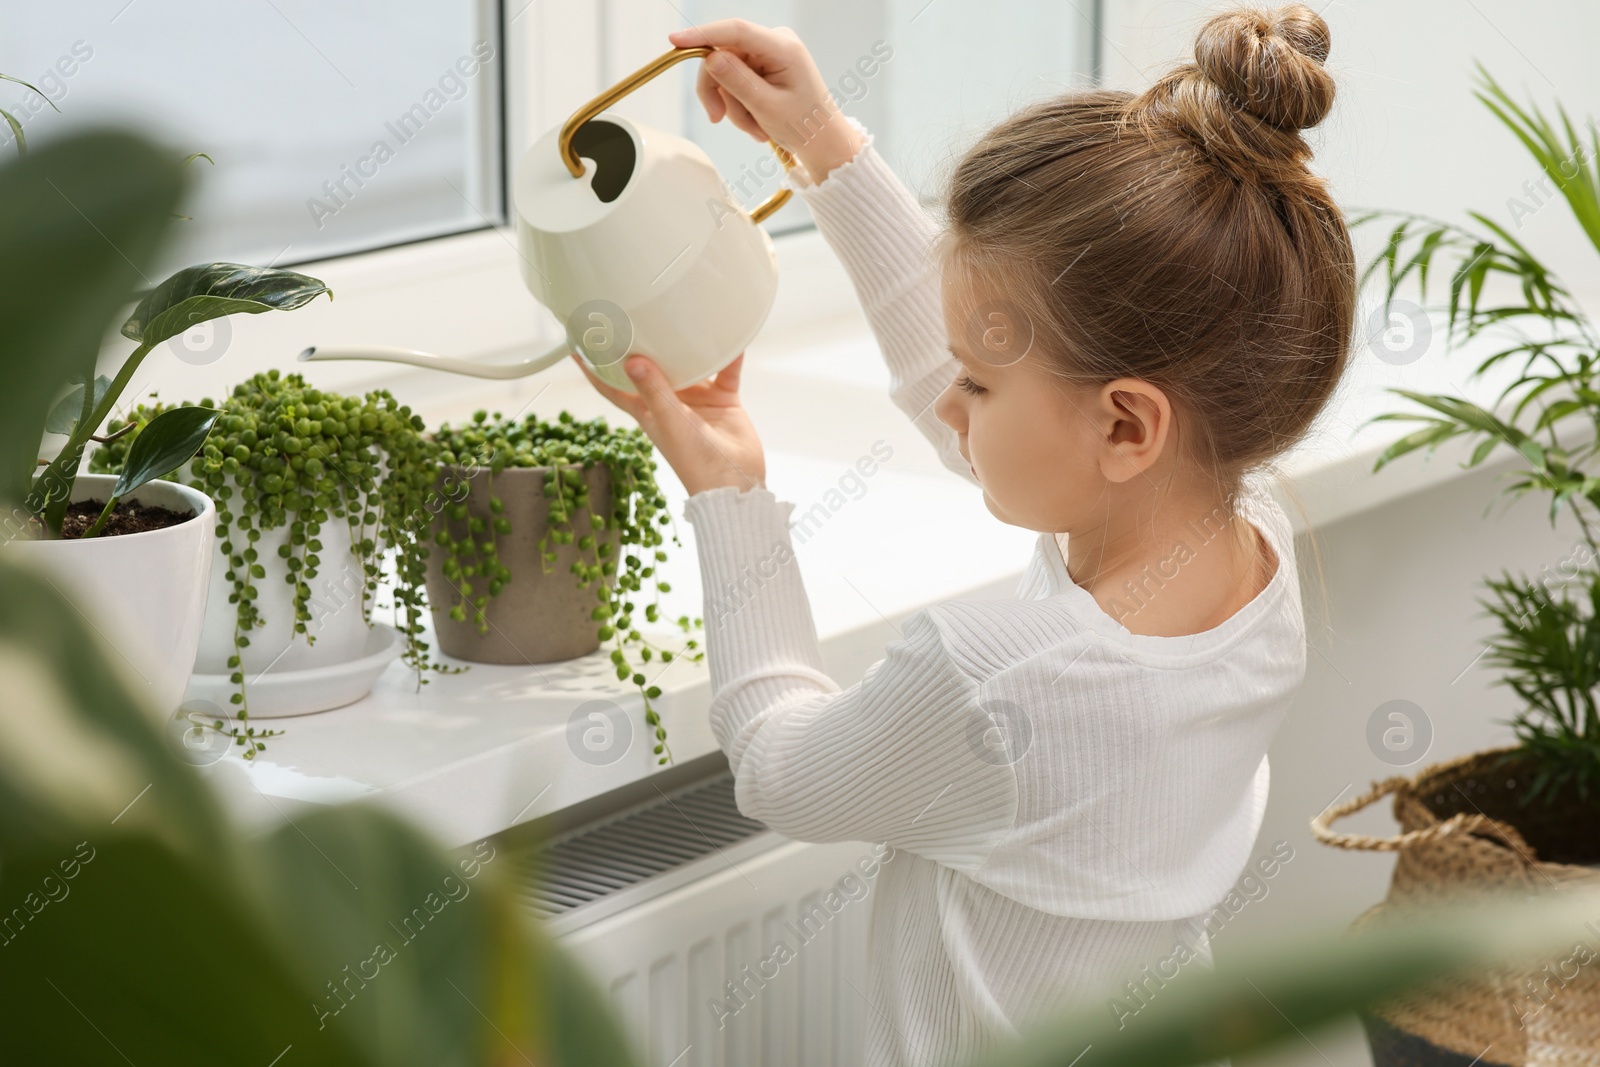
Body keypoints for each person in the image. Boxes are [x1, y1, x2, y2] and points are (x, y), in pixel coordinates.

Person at [573, 6, 1354, 1064]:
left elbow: (776, 768)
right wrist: (824, 146)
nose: (950, 406)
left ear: (1127, 422)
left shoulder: (993, 678)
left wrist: (729, 492)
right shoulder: (1247, 547)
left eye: (977, 385)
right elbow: (1027, 430)